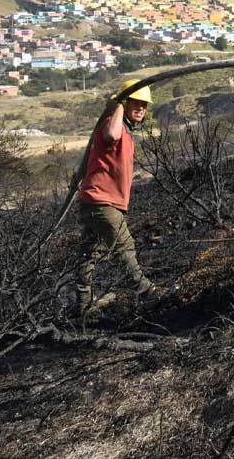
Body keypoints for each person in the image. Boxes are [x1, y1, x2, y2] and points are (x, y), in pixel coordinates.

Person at [72, 79, 162, 317]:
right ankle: (146, 292)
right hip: (101, 202)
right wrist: (118, 104)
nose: (141, 108)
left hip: (99, 201)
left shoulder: (128, 131)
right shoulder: (113, 125)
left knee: (89, 252)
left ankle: (83, 304)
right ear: (125, 102)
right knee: (124, 245)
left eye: (144, 104)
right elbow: (111, 135)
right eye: (136, 102)